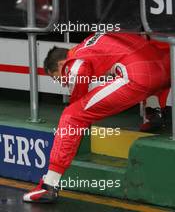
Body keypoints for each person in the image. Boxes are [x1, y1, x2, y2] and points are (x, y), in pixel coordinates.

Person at [23, 32, 170, 203]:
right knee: (140, 70)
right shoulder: (96, 40)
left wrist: (77, 104)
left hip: (138, 75)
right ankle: (154, 111)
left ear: (62, 64)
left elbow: (78, 69)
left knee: (72, 115)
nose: (63, 83)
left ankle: (48, 186)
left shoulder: (74, 58)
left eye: (59, 77)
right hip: (165, 71)